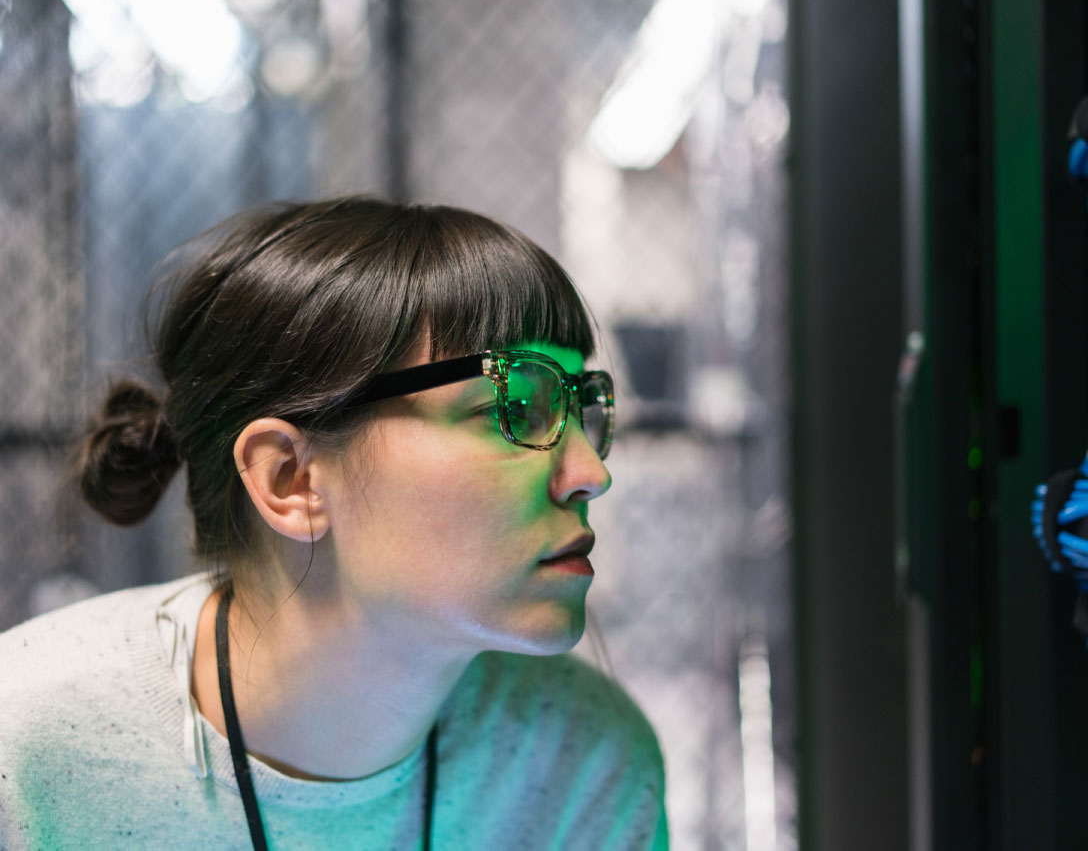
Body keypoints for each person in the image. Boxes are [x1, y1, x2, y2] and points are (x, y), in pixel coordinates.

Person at [0, 197, 668, 849]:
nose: (589, 472)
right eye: (517, 407)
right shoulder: (27, 744)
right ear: (290, 479)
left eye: (580, 407)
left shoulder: (585, 761)